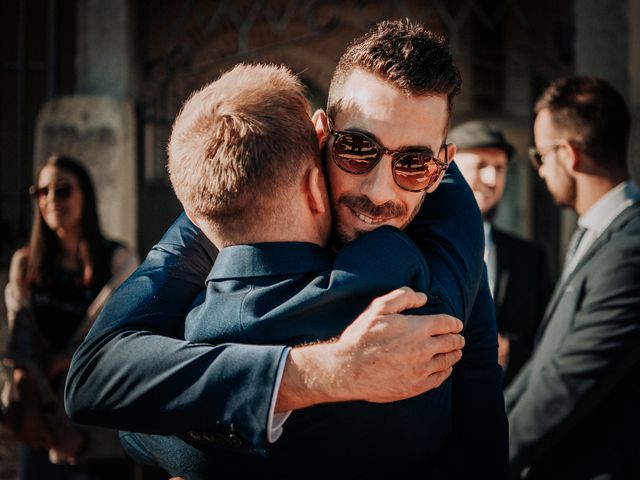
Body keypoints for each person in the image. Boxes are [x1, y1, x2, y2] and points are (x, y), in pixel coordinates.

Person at [65, 20, 507, 478]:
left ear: (442, 166)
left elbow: (480, 425)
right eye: (357, 148)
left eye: (414, 164)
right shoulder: (240, 191)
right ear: (321, 134)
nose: (379, 192)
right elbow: (98, 372)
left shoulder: (449, 220)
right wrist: (322, 370)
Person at [506, 76, 640, 479]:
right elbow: (545, 363)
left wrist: (476, 461)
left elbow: (567, 381)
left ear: (568, 154)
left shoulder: (630, 248)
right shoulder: (597, 234)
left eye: (539, 155)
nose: (541, 170)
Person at [2, 155, 138, 479]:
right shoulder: (25, 264)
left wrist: (69, 360)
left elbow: (123, 334)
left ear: (85, 195)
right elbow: (20, 345)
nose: (51, 200)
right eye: (42, 191)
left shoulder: (118, 261)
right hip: (41, 423)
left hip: (98, 423)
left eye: (62, 190)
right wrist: (37, 413)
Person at [449, 120, 552, 385]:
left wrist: (507, 351)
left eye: (500, 168)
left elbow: (548, 344)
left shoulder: (531, 259)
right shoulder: (413, 246)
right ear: (449, 164)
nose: (492, 180)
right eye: (481, 165)